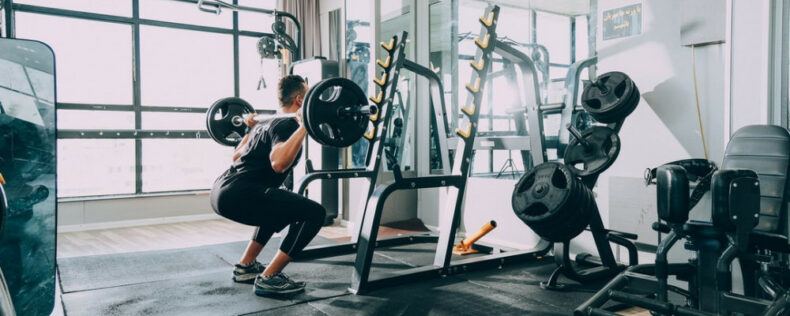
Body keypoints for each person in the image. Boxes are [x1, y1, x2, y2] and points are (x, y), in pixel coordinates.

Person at [210, 75, 326, 296]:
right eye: (309, 94)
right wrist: (304, 127)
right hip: (239, 192)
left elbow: (236, 157)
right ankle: (269, 277)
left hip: (222, 190)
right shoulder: (288, 124)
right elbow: (279, 163)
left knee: (277, 205)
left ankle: (246, 266)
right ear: (301, 101)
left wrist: (248, 130)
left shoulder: (264, 123)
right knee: (315, 214)